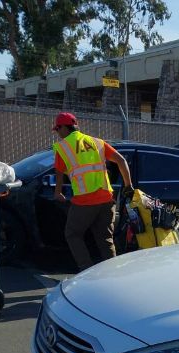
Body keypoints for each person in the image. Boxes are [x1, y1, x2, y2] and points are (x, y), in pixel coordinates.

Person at [52, 112, 133, 270]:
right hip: (107, 200)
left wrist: (58, 192)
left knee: (73, 234)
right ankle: (112, 273)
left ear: (64, 128)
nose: (58, 133)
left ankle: (86, 270)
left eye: (57, 129)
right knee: (105, 239)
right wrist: (128, 185)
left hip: (84, 201)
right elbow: (121, 160)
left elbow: (59, 173)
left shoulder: (63, 147)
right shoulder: (97, 142)